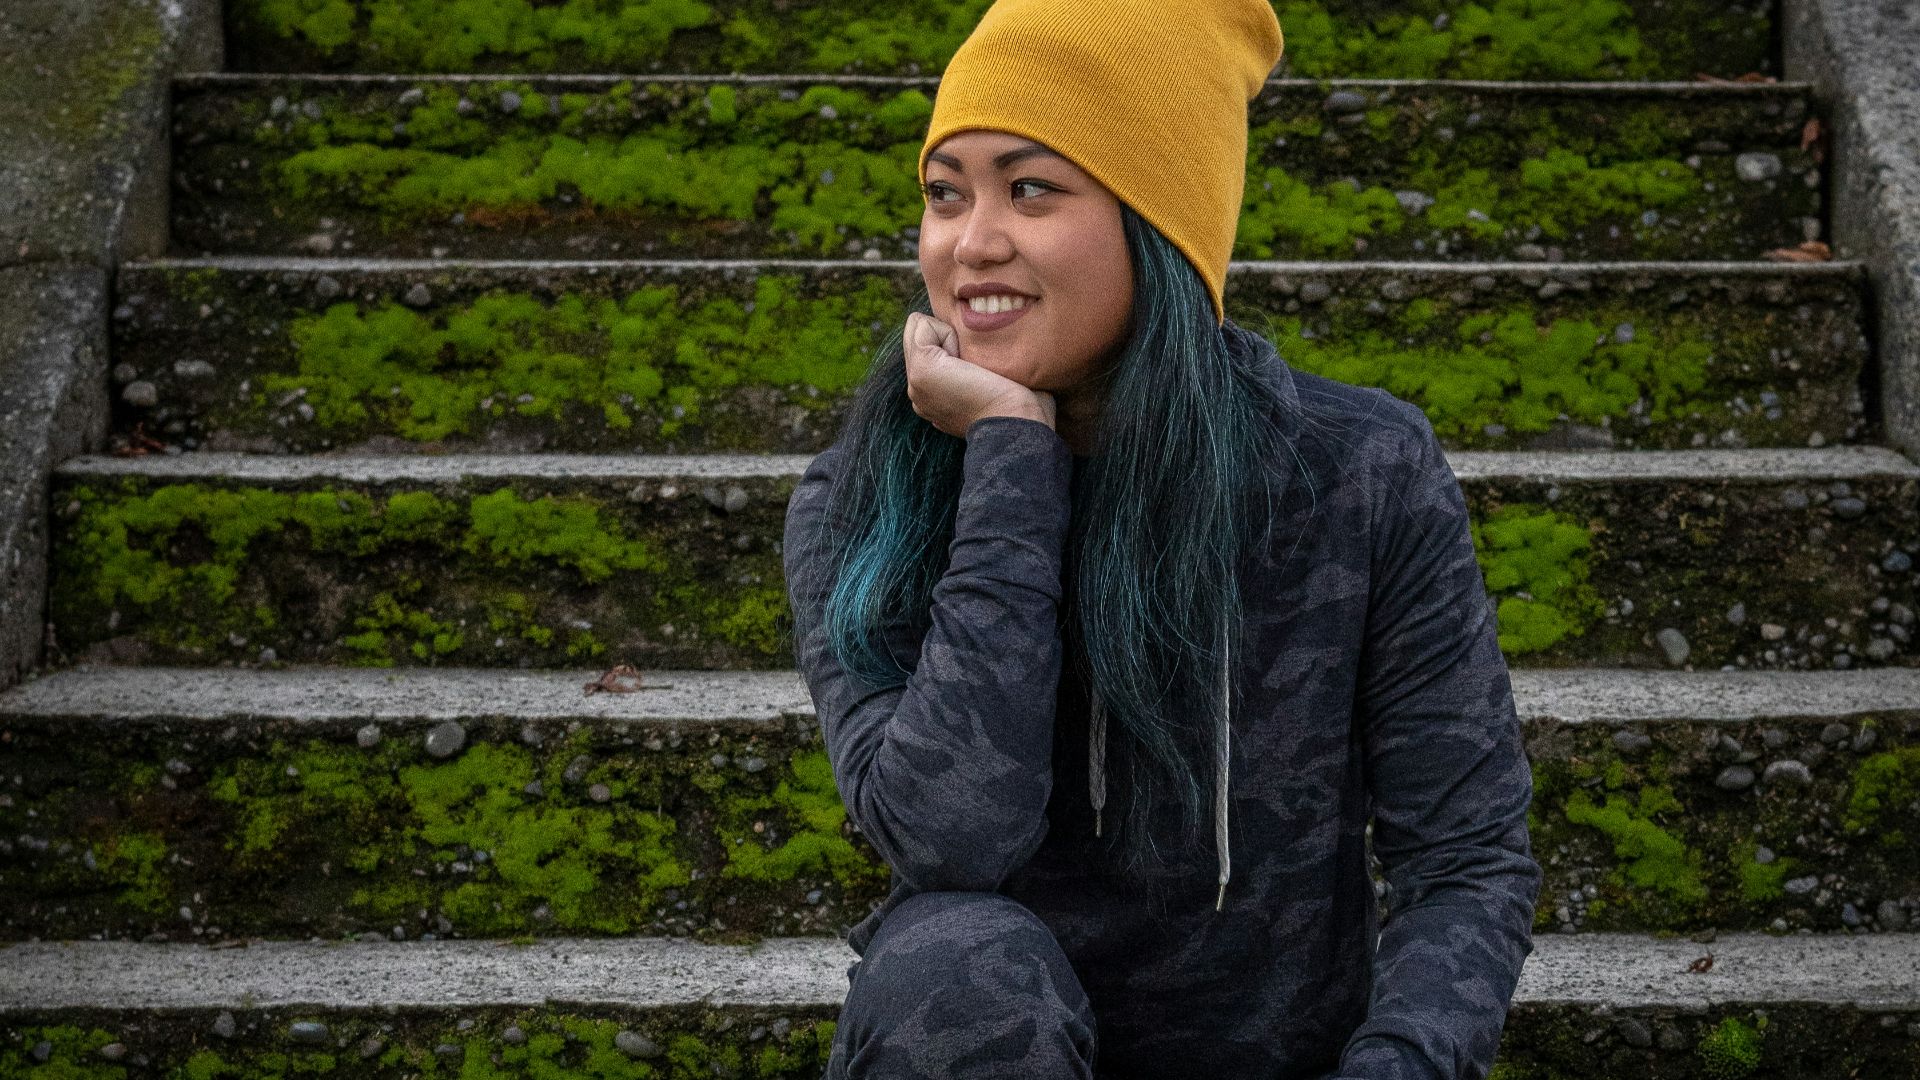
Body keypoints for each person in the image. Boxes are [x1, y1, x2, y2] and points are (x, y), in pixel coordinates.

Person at [779, 0, 1544, 1076]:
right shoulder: (866, 505)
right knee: (949, 963)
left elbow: (1466, 861)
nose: (971, 242)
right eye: (945, 194)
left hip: (1286, 1057)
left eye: (1031, 187)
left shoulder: (1356, 472)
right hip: (994, 1045)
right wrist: (1009, 457)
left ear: (1161, 221)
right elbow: (952, 839)